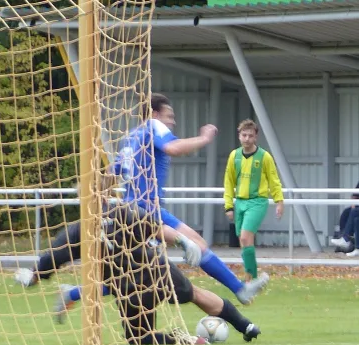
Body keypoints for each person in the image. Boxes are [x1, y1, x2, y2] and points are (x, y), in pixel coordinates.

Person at [18, 198, 262, 345]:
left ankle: (244, 325)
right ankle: (202, 335)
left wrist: (33, 276)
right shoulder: (103, 220)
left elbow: (51, 259)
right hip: (139, 281)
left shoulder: (92, 225)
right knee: (140, 337)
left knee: (191, 296)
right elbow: (157, 229)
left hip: (145, 277)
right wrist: (183, 241)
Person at [115, 93, 269, 303]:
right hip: (147, 210)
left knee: (139, 270)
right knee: (154, 266)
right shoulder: (152, 125)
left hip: (134, 209)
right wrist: (204, 138)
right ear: (154, 114)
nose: (173, 121)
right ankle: (239, 289)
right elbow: (173, 148)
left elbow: (112, 171)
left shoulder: (130, 137)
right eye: (169, 116)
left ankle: (240, 289)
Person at [224, 119, 284, 281]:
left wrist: (279, 201)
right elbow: (228, 182)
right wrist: (228, 205)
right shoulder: (234, 156)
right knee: (243, 241)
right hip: (240, 202)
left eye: (250, 136)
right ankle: (250, 274)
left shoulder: (264, 157)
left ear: (256, 137)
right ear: (239, 136)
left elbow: (273, 179)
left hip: (258, 201)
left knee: (245, 237)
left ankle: (252, 277)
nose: (247, 139)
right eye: (244, 135)